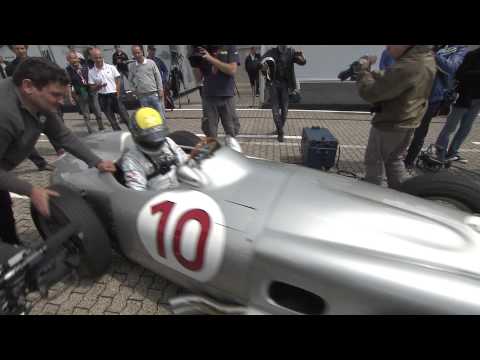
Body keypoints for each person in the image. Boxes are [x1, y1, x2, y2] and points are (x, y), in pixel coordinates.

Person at [0, 57, 116, 245]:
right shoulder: (4, 115)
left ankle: (11, 244)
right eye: (55, 95)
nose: (62, 102)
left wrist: (97, 162)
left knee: (4, 211)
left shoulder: (38, 103)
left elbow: (64, 136)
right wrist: (31, 190)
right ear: (28, 86)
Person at [356, 45, 436, 189]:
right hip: (408, 120)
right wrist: (373, 73)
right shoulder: (425, 58)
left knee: (374, 161)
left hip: (391, 123)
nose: (388, 47)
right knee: (394, 160)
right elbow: (393, 78)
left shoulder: (408, 65)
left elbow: (371, 93)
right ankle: (405, 194)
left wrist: (363, 72)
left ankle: (372, 196)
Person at [404, 45, 468, 169]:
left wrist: (432, 53)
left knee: (419, 132)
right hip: (412, 91)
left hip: (432, 96)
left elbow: (451, 68)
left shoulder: (459, 49)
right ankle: (396, 159)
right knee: (402, 129)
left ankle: (408, 163)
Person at [5, 45, 57, 170]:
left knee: (54, 127)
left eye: (22, 48)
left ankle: (62, 152)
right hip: (24, 104)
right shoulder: (10, 67)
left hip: (42, 100)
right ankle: (41, 163)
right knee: (25, 136)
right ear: (13, 50)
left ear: (26, 48)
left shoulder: (37, 62)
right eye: (17, 48)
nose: (20, 50)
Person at [120, 107, 187, 191]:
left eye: (158, 135)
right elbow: (138, 192)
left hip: (182, 191)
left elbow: (186, 165)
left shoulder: (168, 143)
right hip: (157, 199)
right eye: (150, 139)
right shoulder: (131, 160)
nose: (155, 142)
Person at [434, 46, 480, 163]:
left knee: (465, 129)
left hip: (477, 100)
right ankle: (440, 153)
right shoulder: (472, 55)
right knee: (450, 127)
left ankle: (453, 153)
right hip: (464, 98)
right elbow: (460, 74)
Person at [260, 45, 306, 142]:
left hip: (285, 85)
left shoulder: (291, 52)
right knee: (275, 110)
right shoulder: (271, 52)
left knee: (285, 110)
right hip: (274, 84)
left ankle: (278, 128)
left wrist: (302, 57)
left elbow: (302, 63)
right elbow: (261, 61)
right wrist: (263, 67)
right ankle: (280, 132)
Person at [194, 45, 240, 140]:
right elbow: (198, 78)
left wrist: (210, 59)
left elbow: (232, 69)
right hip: (209, 96)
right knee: (210, 133)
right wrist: (196, 62)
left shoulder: (230, 47)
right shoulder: (204, 48)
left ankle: (232, 153)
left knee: (232, 131)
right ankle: (213, 153)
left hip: (227, 96)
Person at [88, 47, 129, 131]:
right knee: (113, 122)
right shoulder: (91, 72)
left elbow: (117, 79)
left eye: (100, 57)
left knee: (126, 118)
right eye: (96, 58)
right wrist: (98, 86)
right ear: (92, 58)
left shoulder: (111, 67)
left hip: (114, 95)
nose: (99, 59)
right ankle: (119, 137)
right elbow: (91, 88)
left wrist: (117, 91)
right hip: (103, 98)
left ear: (102, 57)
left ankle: (135, 137)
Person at [65, 51, 103, 133]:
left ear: (78, 58)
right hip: (81, 91)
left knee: (97, 111)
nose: (74, 60)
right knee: (86, 114)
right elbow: (69, 84)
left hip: (91, 89)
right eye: (71, 58)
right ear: (68, 60)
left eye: (75, 57)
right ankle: (90, 131)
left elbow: (95, 75)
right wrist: (70, 97)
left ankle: (101, 128)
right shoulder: (68, 70)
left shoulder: (86, 66)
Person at [128, 45, 166, 119]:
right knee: (149, 117)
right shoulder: (132, 66)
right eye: (135, 53)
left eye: (138, 53)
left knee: (161, 116)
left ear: (142, 52)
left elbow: (158, 77)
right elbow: (130, 80)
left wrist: (160, 89)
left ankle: (163, 129)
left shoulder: (151, 63)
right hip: (142, 96)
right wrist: (134, 90)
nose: (137, 55)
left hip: (154, 94)